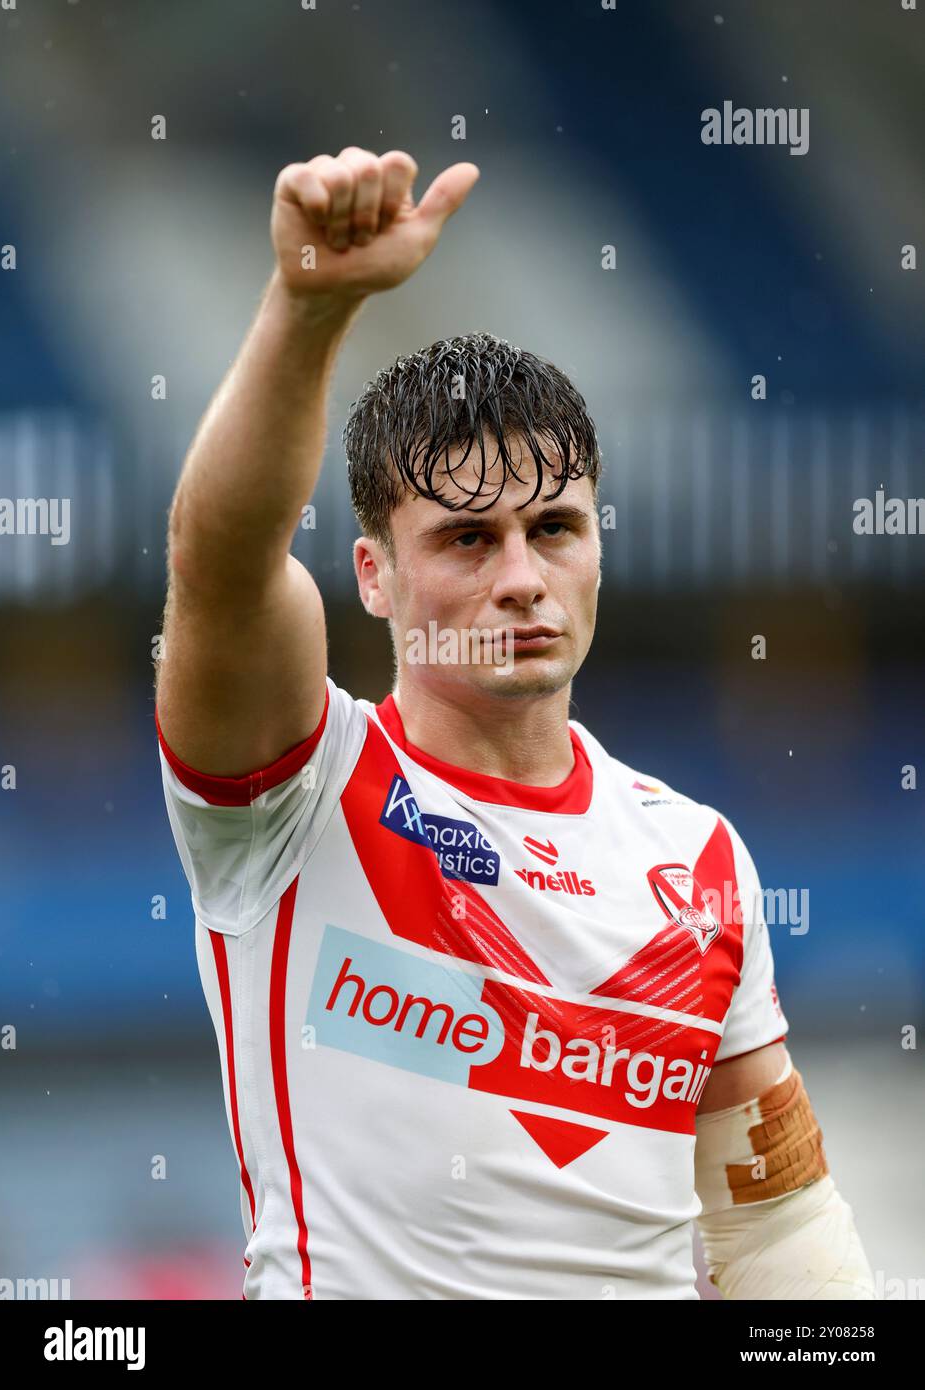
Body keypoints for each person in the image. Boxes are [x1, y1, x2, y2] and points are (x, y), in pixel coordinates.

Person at [155, 147, 875, 1300]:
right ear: (374, 575)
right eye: (465, 539)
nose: (524, 577)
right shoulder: (298, 791)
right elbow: (222, 566)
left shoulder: (695, 857)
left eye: (555, 528)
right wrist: (307, 309)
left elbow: (773, 1226)